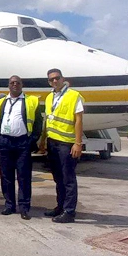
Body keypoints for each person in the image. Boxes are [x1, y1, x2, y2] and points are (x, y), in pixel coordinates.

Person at [0, 76, 41, 219]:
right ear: (8, 86)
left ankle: (24, 207)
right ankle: (9, 205)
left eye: (17, 83)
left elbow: (38, 123)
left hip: (22, 143)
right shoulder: (1, 102)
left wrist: (32, 140)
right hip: (5, 143)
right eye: (12, 83)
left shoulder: (31, 101)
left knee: (23, 176)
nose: (15, 85)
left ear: (21, 85)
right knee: (6, 176)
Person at [38, 69, 84, 224]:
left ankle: (69, 211)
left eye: (57, 78)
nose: (55, 81)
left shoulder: (73, 95)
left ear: (63, 78)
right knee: (58, 178)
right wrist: (43, 140)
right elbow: (48, 120)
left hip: (67, 143)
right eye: (51, 80)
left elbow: (78, 120)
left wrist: (78, 143)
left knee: (68, 178)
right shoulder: (50, 97)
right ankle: (61, 206)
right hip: (52, 142)